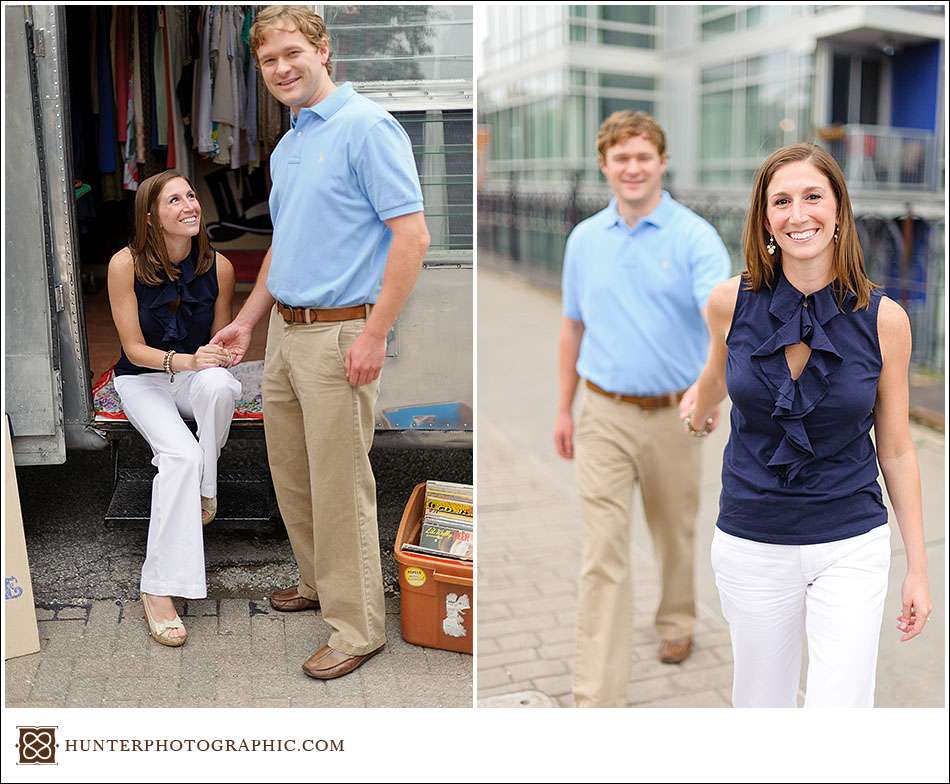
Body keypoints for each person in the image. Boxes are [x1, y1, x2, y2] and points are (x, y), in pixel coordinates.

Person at [211, 6, 429, 679]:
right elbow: (286, 247)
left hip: (342, 333)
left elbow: (412, 236)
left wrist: (374, 333)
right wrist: (248, 322)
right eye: (268, 61)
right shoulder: (288, 147)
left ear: (322, 50)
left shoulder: (366, 128)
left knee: (340, 488)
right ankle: (317, 583)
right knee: (294, 474)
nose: (280, 69)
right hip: (285, 332)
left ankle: (358, 627)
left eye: (290, 54)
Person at [684, 143, 932, 707]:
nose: (799, 214)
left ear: (839, 209)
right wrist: (698, 412)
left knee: (839, 714)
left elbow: (895, 448)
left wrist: (917, 566)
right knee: (761, 707)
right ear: (765, 218)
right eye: (782, 201)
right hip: (752, 539)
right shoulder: (727, 302)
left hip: (851, 540)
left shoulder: (886, 320)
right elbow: (716, 374)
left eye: (813, 197)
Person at [554, 111, 731, 707]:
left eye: (643, 157)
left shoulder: (693, 236)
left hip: (676, 416)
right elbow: (572, 326)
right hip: (603, 413)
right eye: (621, 157)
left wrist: (709, 391)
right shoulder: (584, 239)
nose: (632, 168)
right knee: (602, 554)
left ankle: (677, 621)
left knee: (673, 534)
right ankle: (596, 700)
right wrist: (562, 408)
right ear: (604, 164)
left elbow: (722, 319)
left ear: (662, 161)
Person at [108, 169, 241, 647]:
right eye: (174, 201)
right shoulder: (124, 264)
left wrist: (221, 354)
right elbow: (134, 348)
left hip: (190, 376)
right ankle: (158, 589)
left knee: (222, 386)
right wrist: (187, 360)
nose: (189, 205)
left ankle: (207, 488)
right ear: (151, 217)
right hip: (143, 378)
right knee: (178, 457)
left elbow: (217, 345)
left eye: (191, 196)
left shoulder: (220, 267)